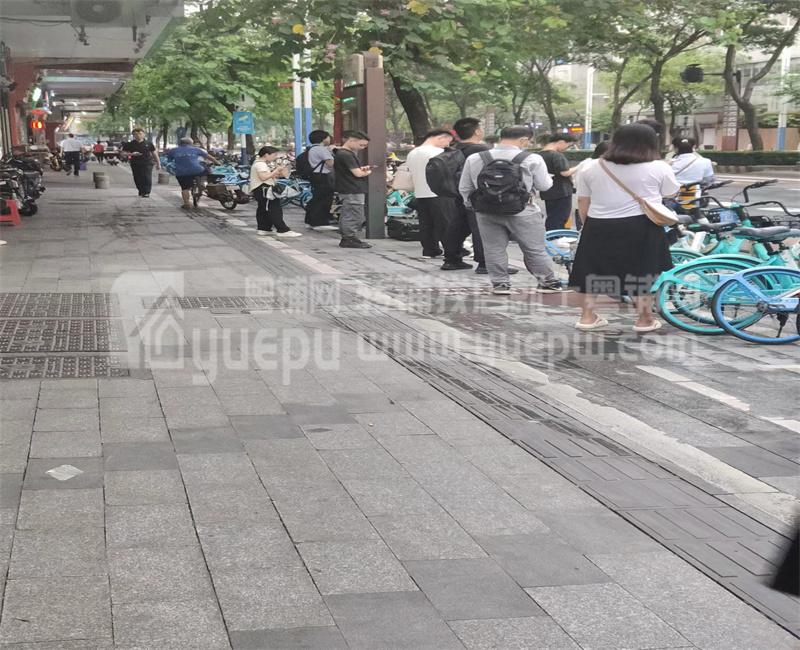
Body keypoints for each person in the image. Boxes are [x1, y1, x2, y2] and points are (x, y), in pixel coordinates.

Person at [568, 123, 680, 332]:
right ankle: (644, 319)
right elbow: (670, 192)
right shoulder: (659, 167)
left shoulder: (591, 166)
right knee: (642, 272)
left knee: (592, 270)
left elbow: (583, 200)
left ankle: (587, 317)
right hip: (642, 225)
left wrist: (587, 224)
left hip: (598, 224)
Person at [459, 125, 564, 295]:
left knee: (493, 248)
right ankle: (548, 282)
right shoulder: (532, 158)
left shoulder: (475, 158)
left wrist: (472, 206)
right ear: (523, 139)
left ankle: (500, 284)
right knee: (534, 249)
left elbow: (465, 187)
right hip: (524, 210)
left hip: (486, 211)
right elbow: (544, 185)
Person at [405, 129, 456, 259]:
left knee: (426, 223)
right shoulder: (438, 152)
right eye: (448, 141)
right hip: (439, 192)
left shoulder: (412, 153)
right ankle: (452, 251)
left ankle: (430, 250)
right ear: (440, 137)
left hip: (420, 192)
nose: (447, 145)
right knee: (446, 223)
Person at [249, 146, 301, 238]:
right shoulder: (260, 164)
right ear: (266, 155)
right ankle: (282, 230)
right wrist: (276, 171)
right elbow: (263, 177)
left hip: (260, 189)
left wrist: (278, 172)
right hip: (264, 189)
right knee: (274, 209)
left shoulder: (260, 163)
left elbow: (268, 175)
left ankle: (264, 229)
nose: (275, 157)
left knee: (263, 209)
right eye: (274, 155)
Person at [334, 130, 373, 249]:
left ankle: (349, 237)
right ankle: (349, 238)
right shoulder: (346, 155)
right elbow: (357, 173)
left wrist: (361, 170)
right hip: (352, 189)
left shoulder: (342, 153)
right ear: (352, 140)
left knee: (350, 213)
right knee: (354, 214)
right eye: (361, 145)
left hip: (349, 188)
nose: (363, 148)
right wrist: (368, 172)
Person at [163, 137, 219, 209]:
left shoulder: (173, 150)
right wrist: (217, 163)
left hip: (182, 172)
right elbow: (210, 157)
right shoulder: (196, 149)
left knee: (185, 188)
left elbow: (168, 161)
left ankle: (186, 204)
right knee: (206, 169)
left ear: (180, 143)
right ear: (191, 143)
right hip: (197, 170)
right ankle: (203, 183)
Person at [538, 133, 578, 231]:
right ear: (561, 142)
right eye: (568, 145)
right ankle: (557, 237)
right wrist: (580, 166)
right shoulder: (556, 155)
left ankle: (551, 236)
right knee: (560, 218)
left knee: (552, 216)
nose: (567, 148)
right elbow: (565, 172)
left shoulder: (539, 155)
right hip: (561, 191)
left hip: (547, 190)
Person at [303, 130, 338, 230]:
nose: (329, 138)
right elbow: (330, 163)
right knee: (325, 199)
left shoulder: (312, 148)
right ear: (323, 138)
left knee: (316, 198)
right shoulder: (321, 149)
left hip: (315, 175)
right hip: (323, 176)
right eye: (328, 137)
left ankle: (310, 221)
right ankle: (320, 222)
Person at [570, 141, 610, 229]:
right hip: (593, 208)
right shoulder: (595, 165)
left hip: (583, 206)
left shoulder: (585, 163)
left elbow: (577, 184)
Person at [121, 128, 161, 197]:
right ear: (133, 135)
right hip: (135, 163)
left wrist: (158, 163)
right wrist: (131, 154)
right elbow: (122, 153)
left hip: (147, 163)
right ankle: (141, 190)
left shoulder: (148, 143)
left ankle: (146, 192)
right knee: (137, 178)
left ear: (144, 134)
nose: (138, 135)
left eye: (140, 134)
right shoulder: (130, 144)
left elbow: (154, 153)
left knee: (147, 177)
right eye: (135, 134)